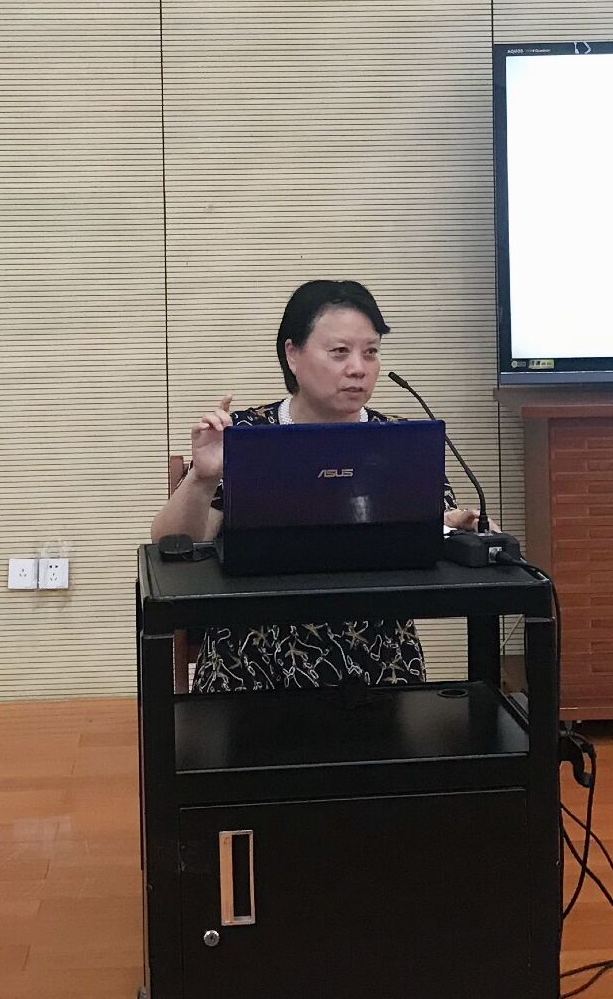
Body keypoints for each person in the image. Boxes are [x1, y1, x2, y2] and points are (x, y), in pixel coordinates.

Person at [150, 278, 487, 693]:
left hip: (380, 662)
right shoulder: (247, 435)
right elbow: (172, 544)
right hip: (251, 662)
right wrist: (203, 478)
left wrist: (458, 527)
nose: (359, 368)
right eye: (340, 352)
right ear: (293, 354)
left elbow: (437, 530)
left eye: (371, 352)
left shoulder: (398, 439)